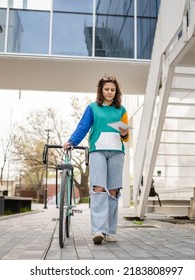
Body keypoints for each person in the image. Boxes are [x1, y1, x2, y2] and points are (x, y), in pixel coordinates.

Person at [63, 74, 129, 244]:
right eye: (107, 89)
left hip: (116, 152)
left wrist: (124, 132)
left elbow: (126, 137)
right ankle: (99, 230)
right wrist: (72, 141)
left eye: (112, 90)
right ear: (101, 90)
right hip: (98, 151)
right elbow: (83, 127)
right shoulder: (93, 108)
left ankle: (110, 231)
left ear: (116, 92)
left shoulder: (121, 110)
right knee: (99, 188)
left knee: (113, 191)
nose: (109, 92)